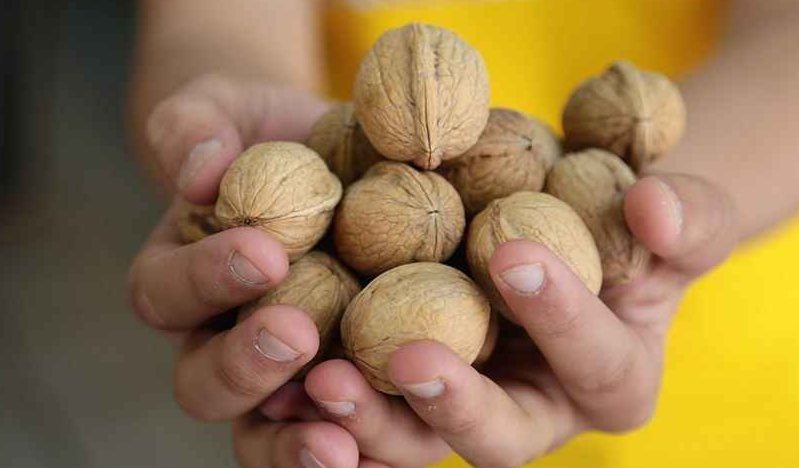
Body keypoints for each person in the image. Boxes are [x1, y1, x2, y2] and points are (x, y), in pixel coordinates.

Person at [128, 1, 799, 467]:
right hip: (386, 407)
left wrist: (653, 207)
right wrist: (213, 137)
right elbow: (211, 24)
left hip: (731, 369)